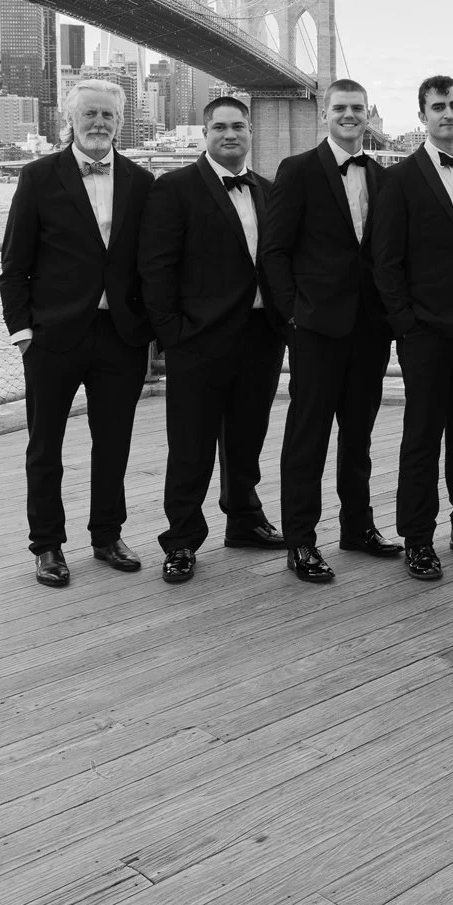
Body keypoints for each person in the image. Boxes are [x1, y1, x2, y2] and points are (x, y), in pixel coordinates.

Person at [0, 79, 155, 588]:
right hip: (53, 337)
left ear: (120, 121)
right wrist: (23, 334)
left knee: (113, 444)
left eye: (107, 115)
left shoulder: (142, 180)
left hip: (121, 336)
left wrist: (150, 328)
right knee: (45, 447)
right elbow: (14, 266)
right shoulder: (38, 176)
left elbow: (152, 263)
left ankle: (107, 536)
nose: (98, 123)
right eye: (89, 113)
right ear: (70, 119)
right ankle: (46, 545)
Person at [138, 94, 287, 584]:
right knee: (191, 445)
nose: (230, 134)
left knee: (247, 437)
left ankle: (244, 520)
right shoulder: (174, 188)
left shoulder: (268, 190)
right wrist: (173, 335)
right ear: (205, 134)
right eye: (220, 127)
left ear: (250, 133)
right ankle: (181, 539)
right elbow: (156, 268)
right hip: (197, 340)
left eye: (238, 126)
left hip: (261, 336)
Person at [368, 74, 453, 582]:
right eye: (438, 107)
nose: (448, 114)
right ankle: (418, 538)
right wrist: (406, 325)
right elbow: (385, 261)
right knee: (422, 437)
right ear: (422, 116)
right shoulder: (399, 179)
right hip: (425, 331)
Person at [263, 78, 400, 582]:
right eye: (340, 107)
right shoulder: (297, 170)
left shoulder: (382, 177)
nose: (349, 115)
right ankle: (300, 540)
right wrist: (292, 317)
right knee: (308, 436)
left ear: (367, 115)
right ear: (325, 112)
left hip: (370, 329)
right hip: (316, 328)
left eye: (358, 108)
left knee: (358, 435)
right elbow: (274, 250)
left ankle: (357, 527)